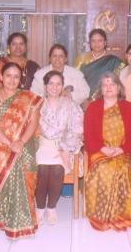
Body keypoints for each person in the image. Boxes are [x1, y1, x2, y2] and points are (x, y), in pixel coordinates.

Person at [0, 62, 42, 239]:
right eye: (8, 75)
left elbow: (33, 122)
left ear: (21, 79)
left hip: (24, 143)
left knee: (25, 166)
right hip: (1, 145)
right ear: (1, 77)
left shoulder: (29, 97)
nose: (12, 80)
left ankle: (23, 222)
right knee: (8, 170)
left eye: (16, 76)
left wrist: (21, 142)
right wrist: (10, 143)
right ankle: (3, 218)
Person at [84, 72, 131, 231]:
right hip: (99, 150)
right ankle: (102, 215)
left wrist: (121, 149)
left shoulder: (129, 108)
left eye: (112, 84)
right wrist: (103, 148)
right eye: (105, 85)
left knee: (122, 169)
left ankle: (123, 215)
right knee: (104, 169)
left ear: (119, 88)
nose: (109, 88)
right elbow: (88, 135)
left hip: (124, 151)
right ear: (100, 89)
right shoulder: (93, 108)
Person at [35, 70, 83, 225]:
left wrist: (64, 147)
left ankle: (51, 207)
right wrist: (54, 132)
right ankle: (40, 208)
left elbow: (77, 129)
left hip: (65, 146)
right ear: (45, 85)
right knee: (42, 169)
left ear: (62, 86)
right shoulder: (37, 104)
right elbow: (36, 128)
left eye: (58, 84)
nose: (54, 87)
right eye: (51, 83)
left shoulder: (71, 105)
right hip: (41, 144)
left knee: (57, 169)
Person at [74, 29, 125, 99]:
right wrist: (82, 100)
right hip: (83, 99)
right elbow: (75, 80)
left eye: (100, 41)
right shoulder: (81, 58)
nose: (96, 44)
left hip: (106, 99)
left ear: (105, 43)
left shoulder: (113, 61)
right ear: (89, 43)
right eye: (93, 41)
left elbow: (117, 84)